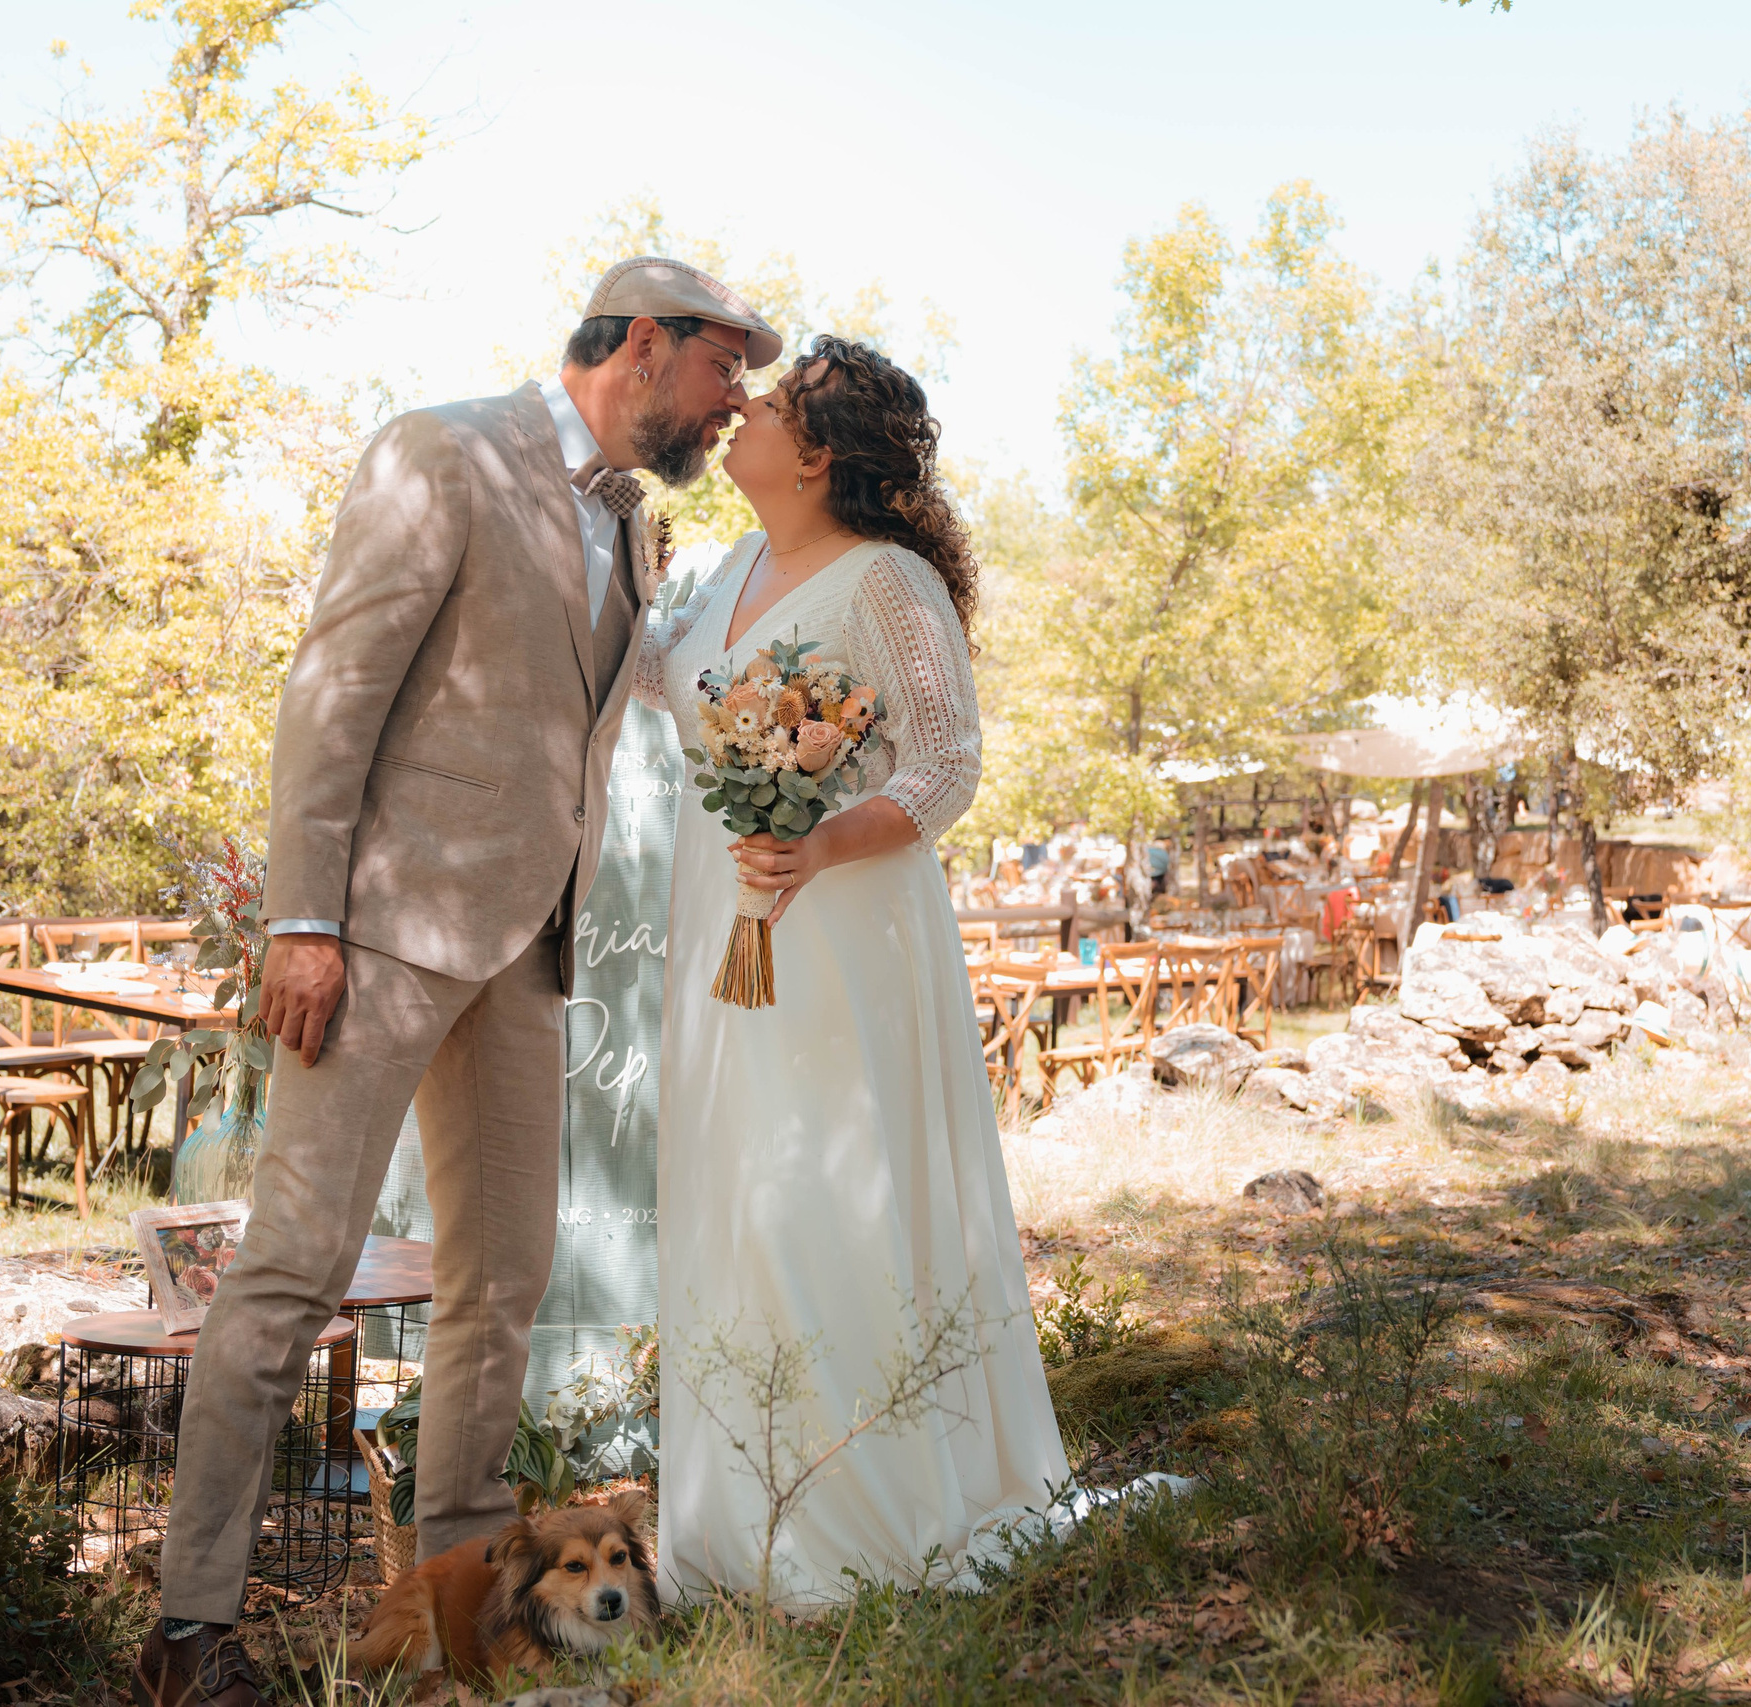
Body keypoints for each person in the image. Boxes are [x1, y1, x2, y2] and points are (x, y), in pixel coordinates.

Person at [134, 258, 781, 1707]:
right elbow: (333, 690)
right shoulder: (442, 451)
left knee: (504, 1283)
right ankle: (189, 1631)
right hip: (376, 935)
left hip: (529, 951)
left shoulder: (634, 524)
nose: (732, 402)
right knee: (292, 1271)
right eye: (721, 369)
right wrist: (303, 918)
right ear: (645, 342)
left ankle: (461, 1619)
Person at [636, 336, 1072, 1605]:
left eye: (770, 404)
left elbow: (946, 764)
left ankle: (859, 1518)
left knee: (822, 1190)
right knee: (737, 1190)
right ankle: (738, 1524)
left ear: (818, 454)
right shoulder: (728, 569)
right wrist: (608, 561)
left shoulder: (888, 582)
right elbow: (661, 680)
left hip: (841, 929)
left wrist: (819, 842)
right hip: (722, 919)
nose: (741, 411)